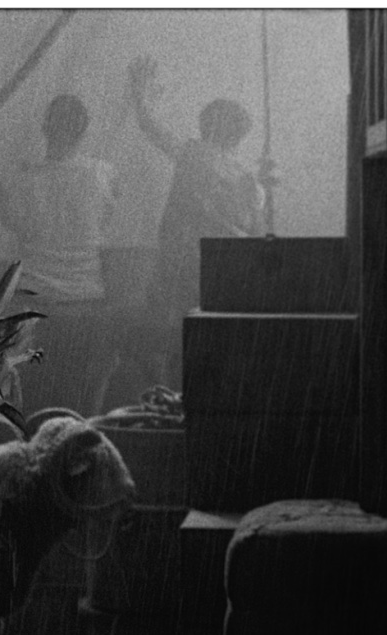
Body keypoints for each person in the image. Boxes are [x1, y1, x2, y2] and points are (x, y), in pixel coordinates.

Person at [127, 55, 268, 390]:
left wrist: (140, 90)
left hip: (179, 264)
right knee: (200, 344)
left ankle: (169, 393)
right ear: (239, 135)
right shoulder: (248, 181)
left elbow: (148, 123)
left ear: (207, 126)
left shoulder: (193, 154)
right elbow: (257, 235)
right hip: (222, 272)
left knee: (166, 340)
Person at [0, 93, 119, 417]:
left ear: (45, 128)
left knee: (34, 398)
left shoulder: (20, 178)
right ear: (84, 131)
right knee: (78, 399)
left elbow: (13, 221)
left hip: (35, 302)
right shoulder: (104, 173)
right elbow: (104, 217)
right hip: (85, 300)